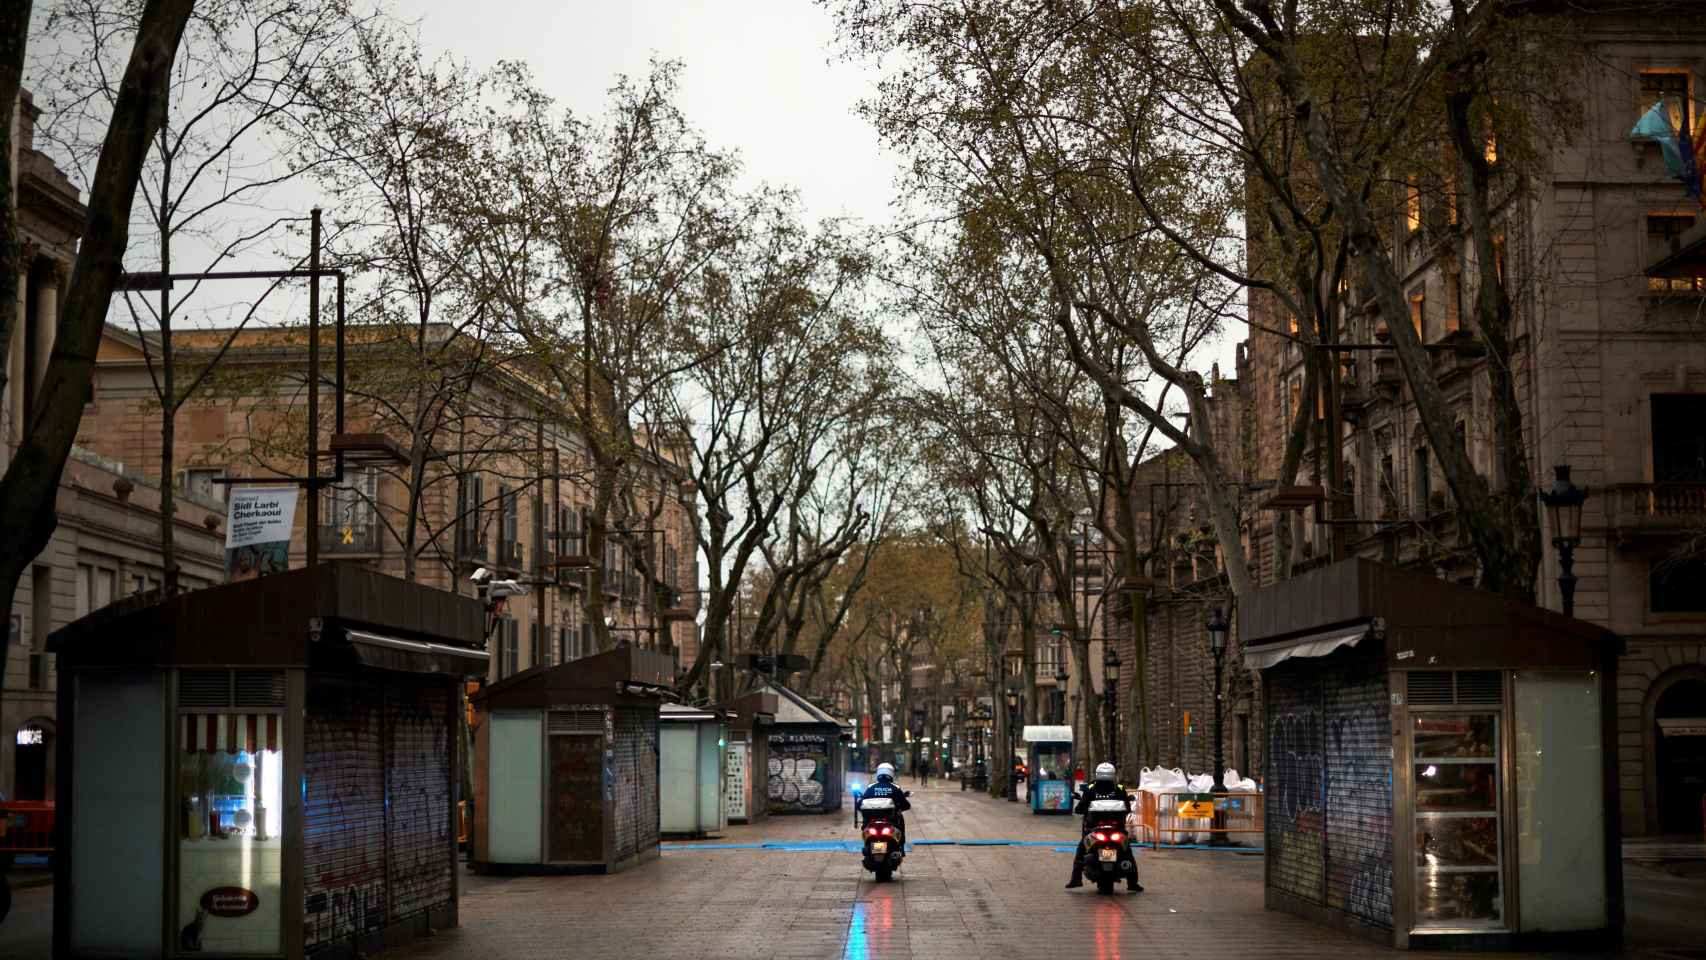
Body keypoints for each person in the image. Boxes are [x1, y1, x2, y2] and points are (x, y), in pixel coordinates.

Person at [1065, 761, 1142, 892]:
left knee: (1081, 851)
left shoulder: (1090, 788)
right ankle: (1132, 882)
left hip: (1094, 829)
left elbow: (1080, 807)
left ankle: (1076, 879)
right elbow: (1128, 808)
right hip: (1117, 830)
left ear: (1097, 774)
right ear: (1113, 775)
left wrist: (1079, 808)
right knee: (1127, 853)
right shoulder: (1119, 788)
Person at [858, 762, 911, 845]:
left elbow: (859, 805)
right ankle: (901, 843)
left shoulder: (870, 787)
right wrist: (899, 808)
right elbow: (906, 805)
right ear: (891, 773)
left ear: (878, 773)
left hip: (871, 824)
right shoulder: (895, 788)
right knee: (900, 818)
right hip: (890, 823)